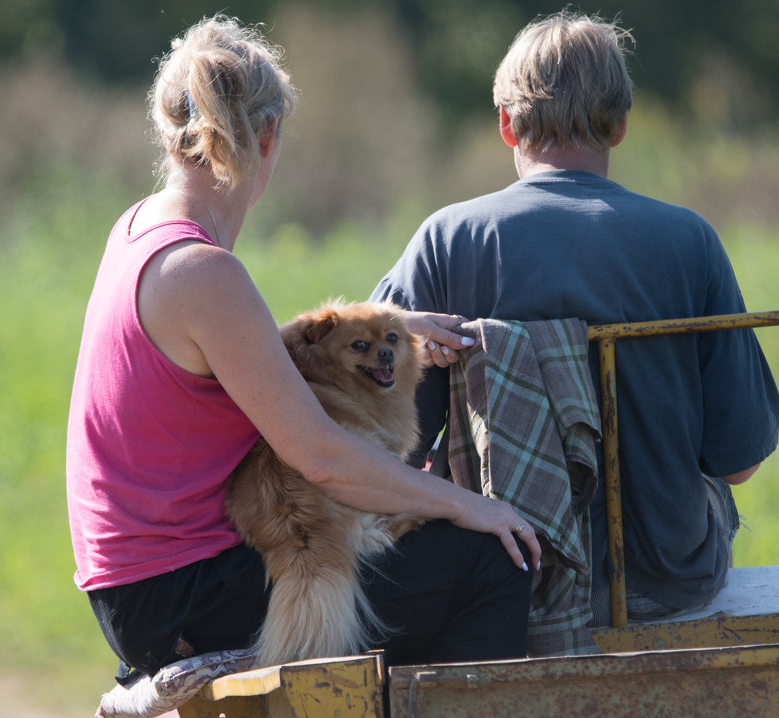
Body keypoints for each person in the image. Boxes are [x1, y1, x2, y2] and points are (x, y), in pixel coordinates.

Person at [65, 16, 541, 684]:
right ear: (267, 136)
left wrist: (394, 326)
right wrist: (470, 503)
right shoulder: (205, 273)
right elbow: (321, 457)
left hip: (139, 587)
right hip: (181, 591)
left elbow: (249, 356)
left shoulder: (141, 231)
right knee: (490, 562)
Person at [370, 11, 779, 625]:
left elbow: (379, 447)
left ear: (507, 125)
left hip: (500, 579)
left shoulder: (446, 241)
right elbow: (739, 461)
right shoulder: (690, 241)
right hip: (662, 580)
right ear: (619, 127)